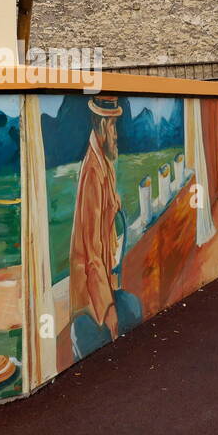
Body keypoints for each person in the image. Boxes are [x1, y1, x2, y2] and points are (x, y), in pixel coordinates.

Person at [68, 95, 141, 357]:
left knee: (133, 308)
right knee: (130, 312)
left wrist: (114, 201)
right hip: (91, 297)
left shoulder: (103, 162)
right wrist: (107, 307)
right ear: (102, 125)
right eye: (113, 125)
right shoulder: (92, 172)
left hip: (104, 285)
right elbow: (91, 253)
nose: (116, 132)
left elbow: (103, 208)